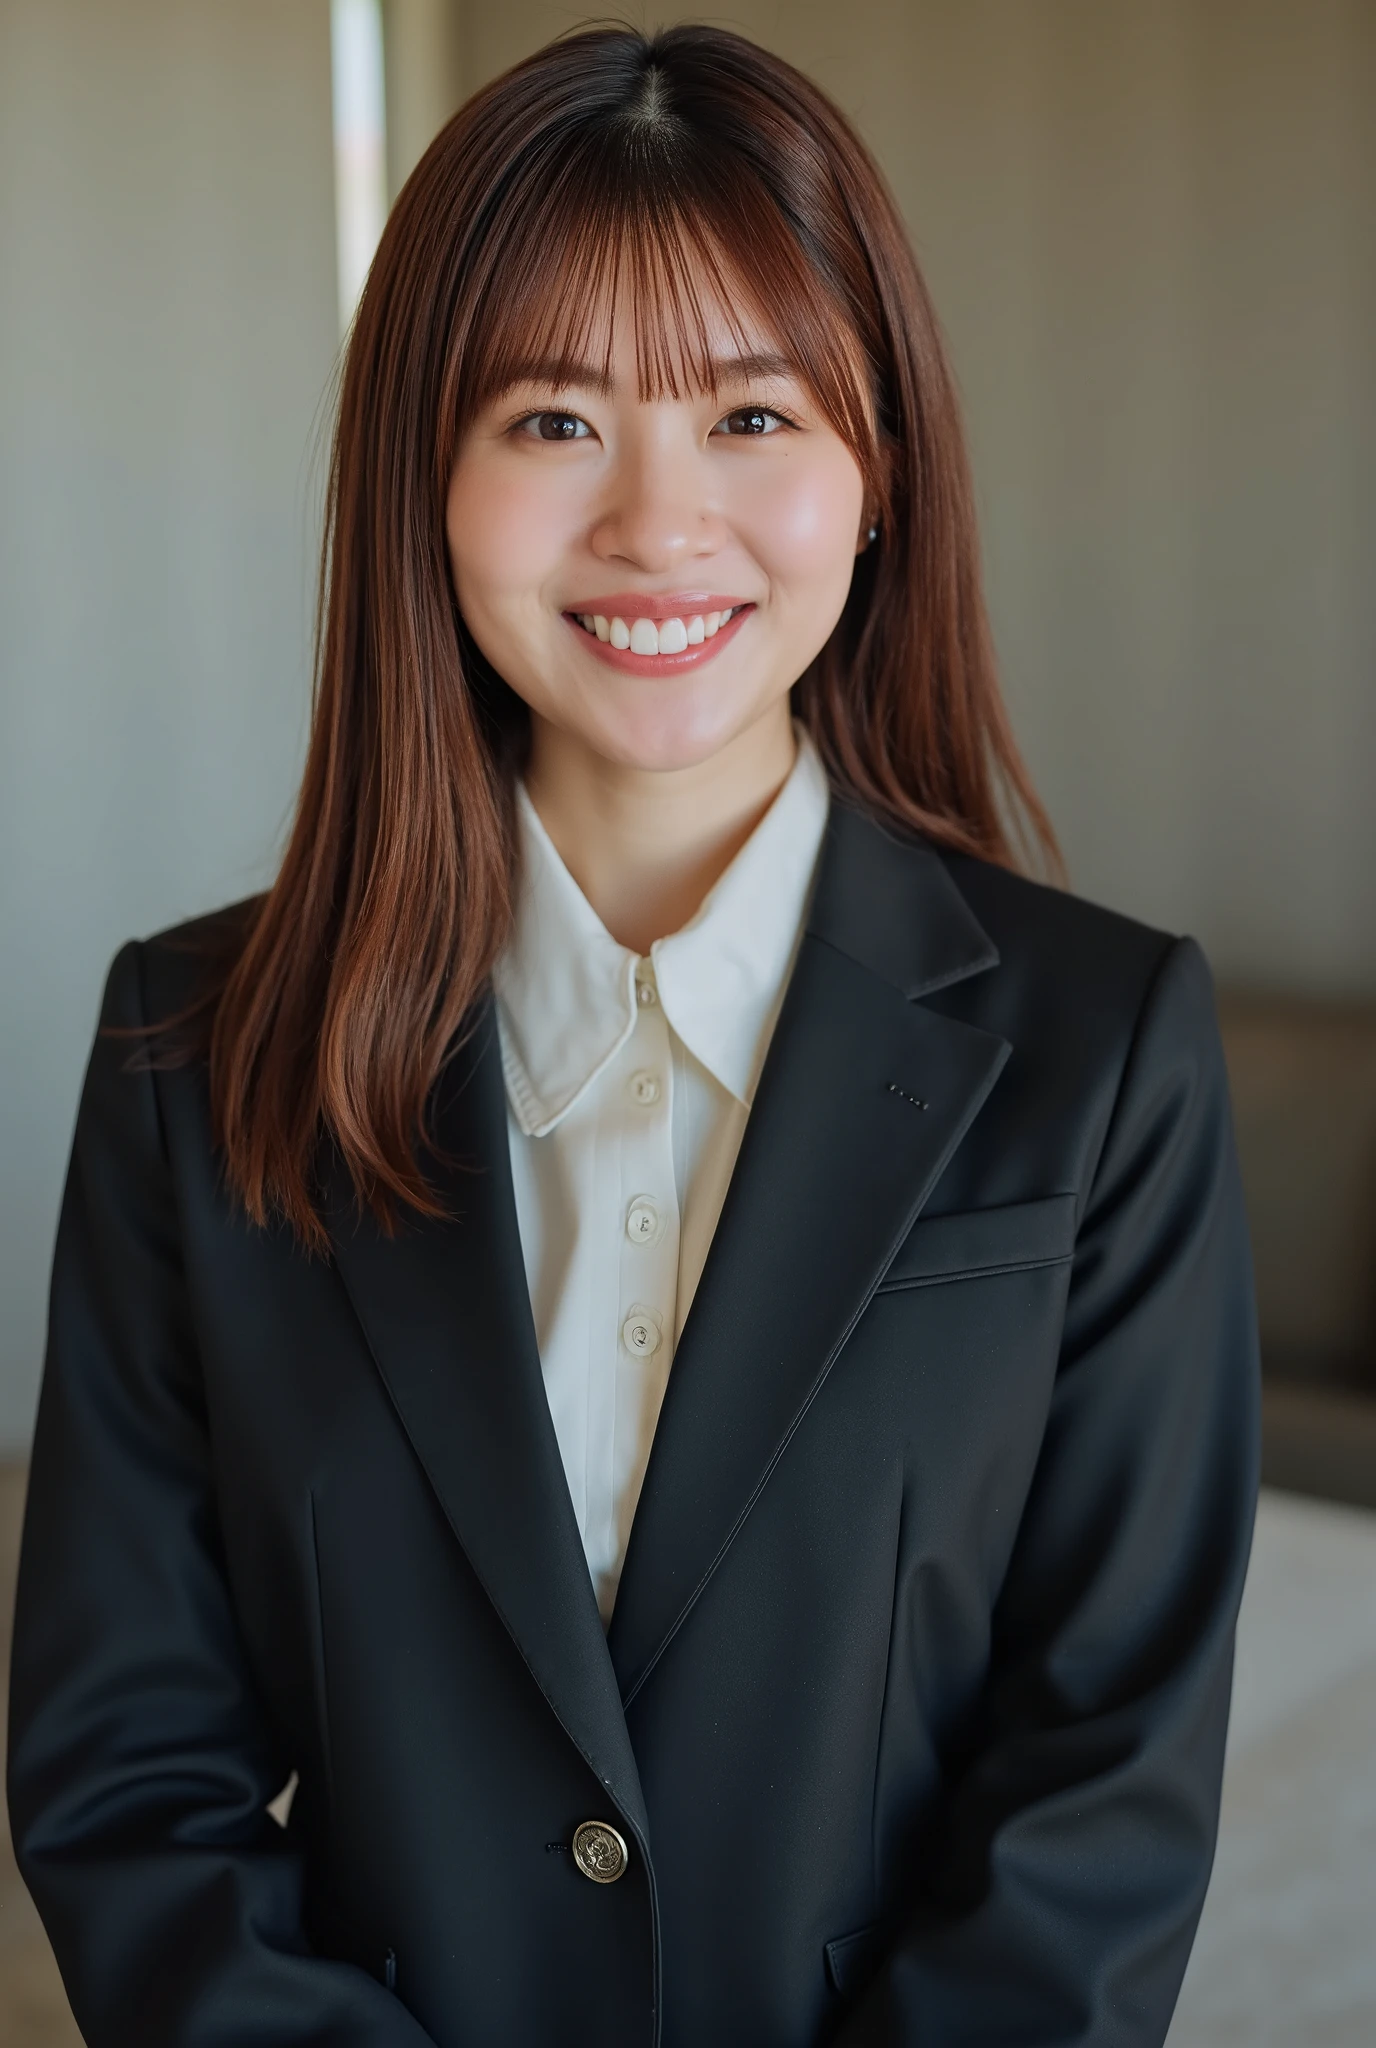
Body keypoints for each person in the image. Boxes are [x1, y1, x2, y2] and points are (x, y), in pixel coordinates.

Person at [7, 23, 1259, 2048]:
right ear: (426, 480)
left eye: (753, 414)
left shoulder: (1104, 1050)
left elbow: (1099, 1793)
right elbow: (128, 1777)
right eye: (556, 419)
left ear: (877, 472)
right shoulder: (196, 1045)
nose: (662, 525)